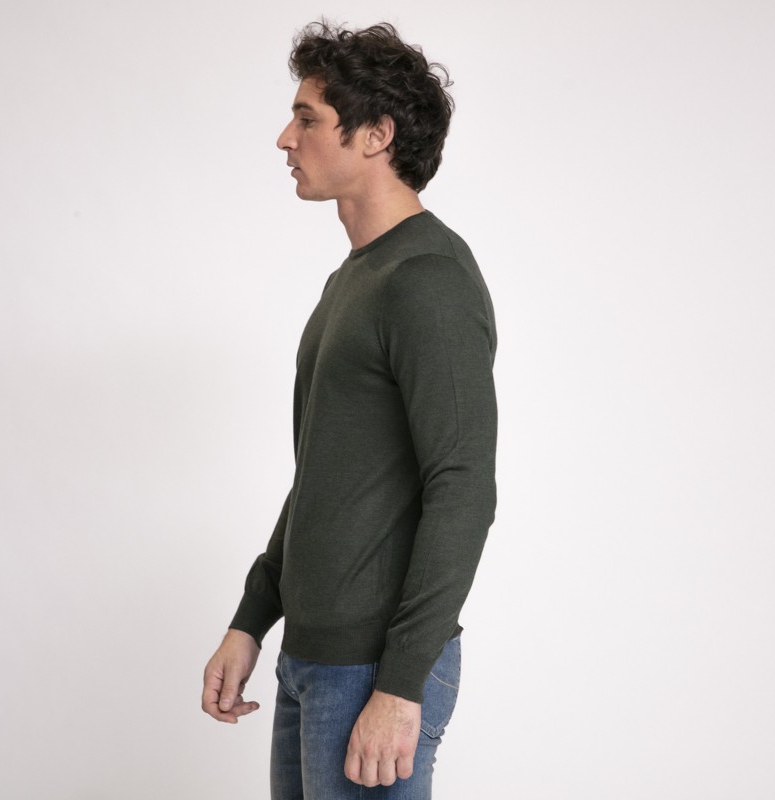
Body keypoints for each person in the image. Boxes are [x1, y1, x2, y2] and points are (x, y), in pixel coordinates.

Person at [202, 20, 497, 799]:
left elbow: (464, 487)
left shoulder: (429, 278)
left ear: (376, 135)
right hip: (315, 658)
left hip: (374, 670)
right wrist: (252, 618)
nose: (285, 138)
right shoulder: (353, 281)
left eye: (307, 118)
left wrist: (400, 686)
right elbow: (325, 476)